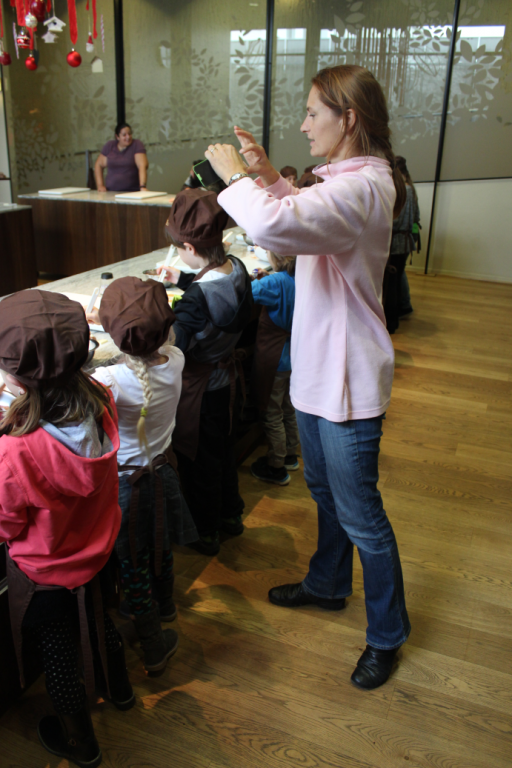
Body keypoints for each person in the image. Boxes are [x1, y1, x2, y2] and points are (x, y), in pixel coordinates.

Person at [205, 63, 411, 690]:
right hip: (321, 367)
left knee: (362, 514)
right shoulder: (344, 183)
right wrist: (270, 177)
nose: (303, 125)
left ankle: (387, 635)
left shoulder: (365, 186)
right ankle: (327, 583)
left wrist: (238, 179)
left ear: (349, 119)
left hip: (347, 375)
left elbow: (276, 226)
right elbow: (302, 221)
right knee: (323, 491)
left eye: (313, 113)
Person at [0, 290, 133, 768]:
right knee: (99, 623)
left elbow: (7, 522)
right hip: (97, 551)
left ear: (18, 378)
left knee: (57, 656)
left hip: (49, 573)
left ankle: (80, 742)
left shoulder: (17, 450)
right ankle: (121, 690)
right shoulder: (102, 400)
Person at [90, 277, 197, 674]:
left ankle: (152, 645)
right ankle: (165, 604)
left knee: (132, 563)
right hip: (163, 473)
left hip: (125, 485)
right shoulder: (176, 359)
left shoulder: (108, 382)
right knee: (160, 544)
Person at [157, 188, 253, 557]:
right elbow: (219, 298)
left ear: (189, 247)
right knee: (224, 453)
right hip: (229, 381)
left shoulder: (196, 301)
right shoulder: (236, 267)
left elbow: (174, 346)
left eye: (179, 249)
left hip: (202, 391)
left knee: (200, 464)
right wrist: (184, 280)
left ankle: (206, 532)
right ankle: (231, 515)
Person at [250, 252, 299, 486]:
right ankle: (290, 454)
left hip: (274, 358)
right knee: (288, 407)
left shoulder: (273, 282)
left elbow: (243, 294)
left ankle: (276, 466)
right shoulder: (299, 278)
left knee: (271, 411)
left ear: (275, 257)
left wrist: (257, 280)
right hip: (294, 356)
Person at [384, 155, 420, 332]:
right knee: (397, 277)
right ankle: (403, 308)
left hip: (396, 243)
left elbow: (395, 220)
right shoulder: (411, 189)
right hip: (405, 243)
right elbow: (416, 217)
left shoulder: (400, 190)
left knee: (391, 282)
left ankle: (391, 322)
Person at [94, 123, 148, 192]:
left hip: (131, 192)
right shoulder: (110, 146)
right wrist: (100, 185)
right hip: (111, 192)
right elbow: (98, 165)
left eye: (129, 134)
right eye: (124, 135)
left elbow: (142, 165)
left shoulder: (136, 144)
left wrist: (142, 187)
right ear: (117, 136)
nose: (128, 137)